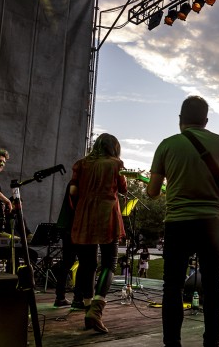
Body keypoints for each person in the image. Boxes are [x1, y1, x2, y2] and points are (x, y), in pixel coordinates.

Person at [146, 96, 219, 347]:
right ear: (205, 120)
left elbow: (152, 192)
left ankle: (172, 342)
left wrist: (165, 186)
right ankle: (211, 342)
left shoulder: (166, 145)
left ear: (180, 120)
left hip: (178, 223)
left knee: (172, 286)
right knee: (213, 284)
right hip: (212, 224)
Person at [69, 133, 127, 333]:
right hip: (106, 214)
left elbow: (73, 192)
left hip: (84, 214)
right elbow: (123, 188)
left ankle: (87, 307)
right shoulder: (115, 164)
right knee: (109, 263)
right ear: (114, 147)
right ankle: (96, 309)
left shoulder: (81, 163)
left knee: (87, 264)